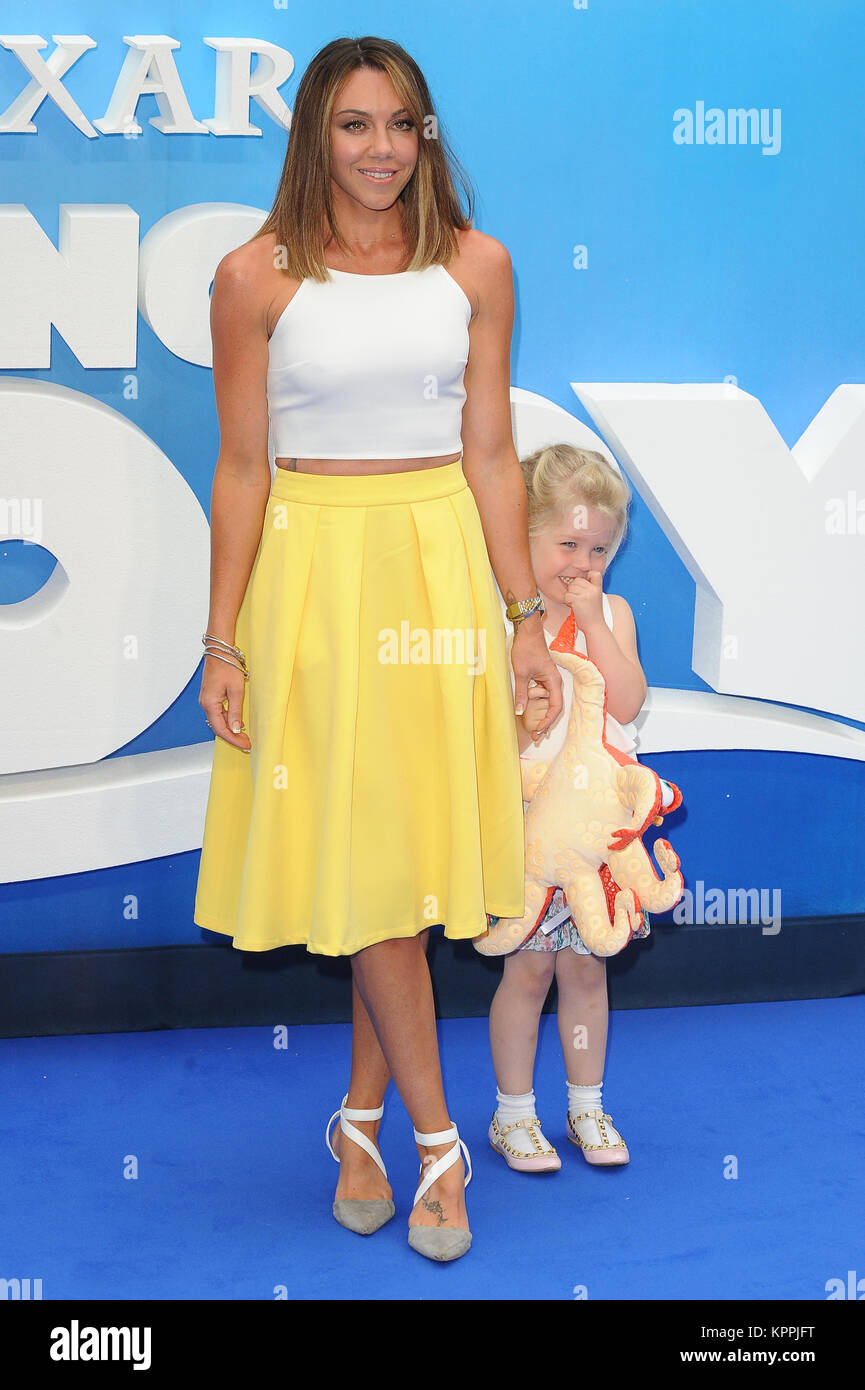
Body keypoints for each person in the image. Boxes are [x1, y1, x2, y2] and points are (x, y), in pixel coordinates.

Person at [192, 35, 563, 1261]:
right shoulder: (255, 278)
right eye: (355, 126)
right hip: (310, 578)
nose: (380, 151)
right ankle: (440, 1143)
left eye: (402, 125)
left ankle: (360, 1119)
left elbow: (493, 456)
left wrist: (522, 619)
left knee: (391, 867)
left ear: (429, 137)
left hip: (438, 573)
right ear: (313, 134)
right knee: (373, 876)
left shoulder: (477, 266)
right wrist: (221, 636)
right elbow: (242, 468)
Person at [484, 443, 673, 1172]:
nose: (581, 561)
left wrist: (594, 624)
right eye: (565, 543)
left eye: (597, 547)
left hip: (596, 840)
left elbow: (626, 702)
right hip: (532, 836)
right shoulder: (502, 623)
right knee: (525, 971)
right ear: (520, 536)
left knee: (588, 971)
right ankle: (512, 1116)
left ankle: (586, 1109)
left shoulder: (613, 613)